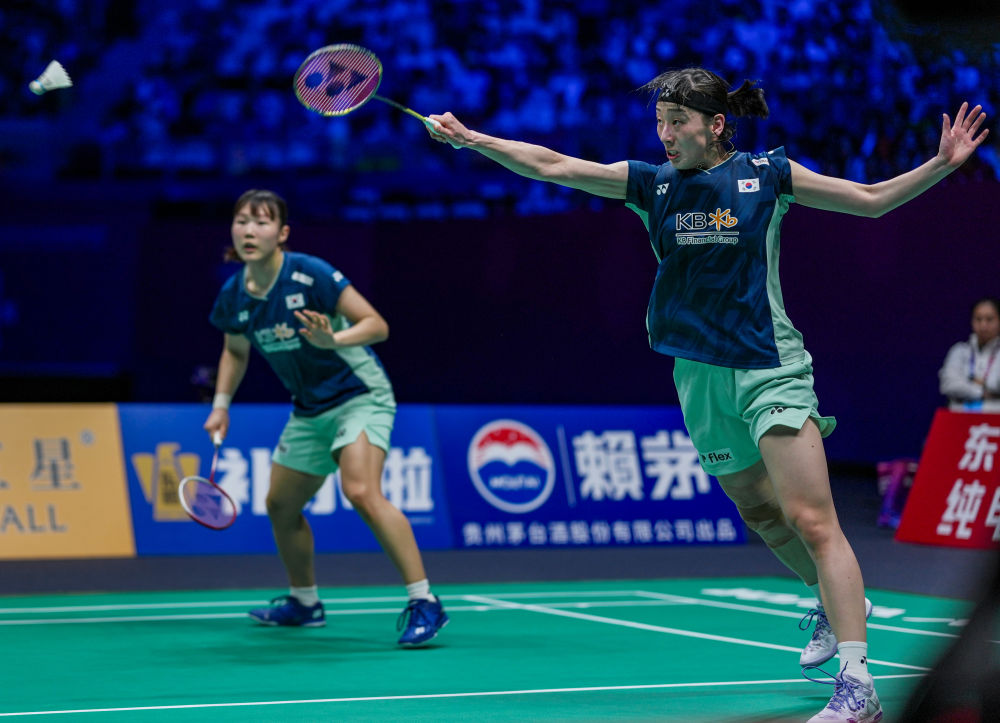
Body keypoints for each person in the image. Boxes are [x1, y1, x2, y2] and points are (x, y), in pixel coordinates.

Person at [425, 67, 988, 722]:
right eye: (659, 123)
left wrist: (940, 166)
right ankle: (833, 600)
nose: (665, 135)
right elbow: (554, 165)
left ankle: (857, 682)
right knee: (758, 510)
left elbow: (868, 199)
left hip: (769, 366)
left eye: (678, 123)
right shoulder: (653, 184)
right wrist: (474, 139)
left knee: (812, 518)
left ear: (716, 125)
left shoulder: (767, 175)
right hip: (698, 375)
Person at [202, 189, 448, 646]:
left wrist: (333, 340)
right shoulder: (234, 294)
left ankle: (425, 601)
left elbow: (377, 325)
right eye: (242, 221)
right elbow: (235, 351)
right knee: (280, 505)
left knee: (360, 490)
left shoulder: (309, 273)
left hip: (359, 395)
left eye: (261, 222)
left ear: (282, 233)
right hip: (309, 407)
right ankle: (305, 603)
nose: (249, 231)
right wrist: (221, 405)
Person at [939, 297, 1000, 412]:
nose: (983, 325)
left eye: (989, 319)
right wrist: (982, 391)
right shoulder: (959, 351)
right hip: (960, 416)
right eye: (978, 319)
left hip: (996, 417)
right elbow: (948, 385)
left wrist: (970, 381)